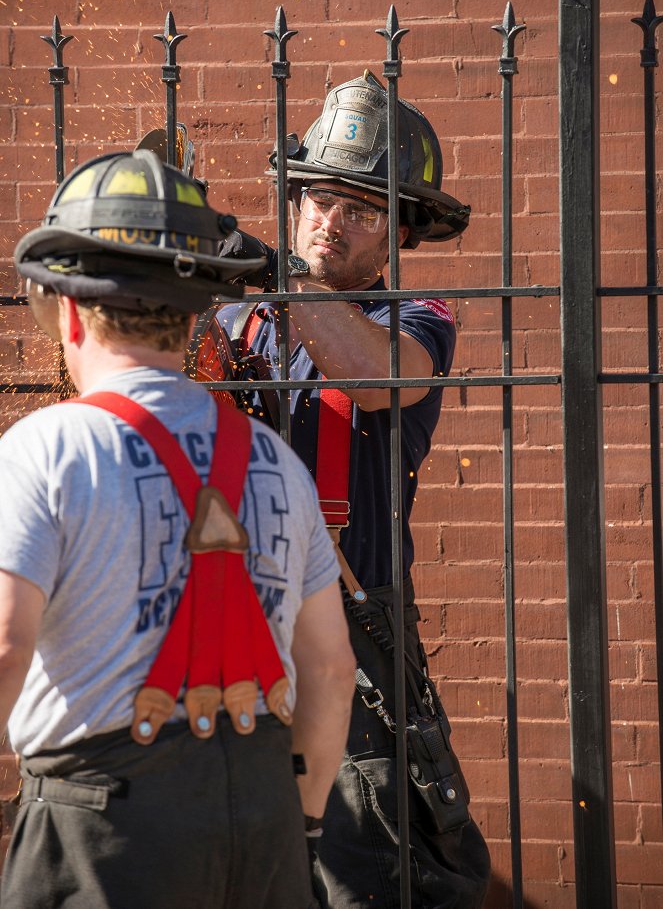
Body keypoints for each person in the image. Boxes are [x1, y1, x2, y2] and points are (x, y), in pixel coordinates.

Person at [0, 149, 355, 909]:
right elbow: (328, 671)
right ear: (192, 317)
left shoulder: (46, 448)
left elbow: (5, 644)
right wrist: (302, 828)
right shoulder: (275, 462)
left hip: (108, 830)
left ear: (65, 309)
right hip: (264, 821)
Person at [213, 70, 492, 908]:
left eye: (360, 210)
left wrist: (278, 276)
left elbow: (376, 381)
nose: (330, 223)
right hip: (231, 625)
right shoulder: (237, 322)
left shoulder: (415, 317)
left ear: (396, 234)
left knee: (368, 872)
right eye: (319, 201)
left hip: (353, 630)